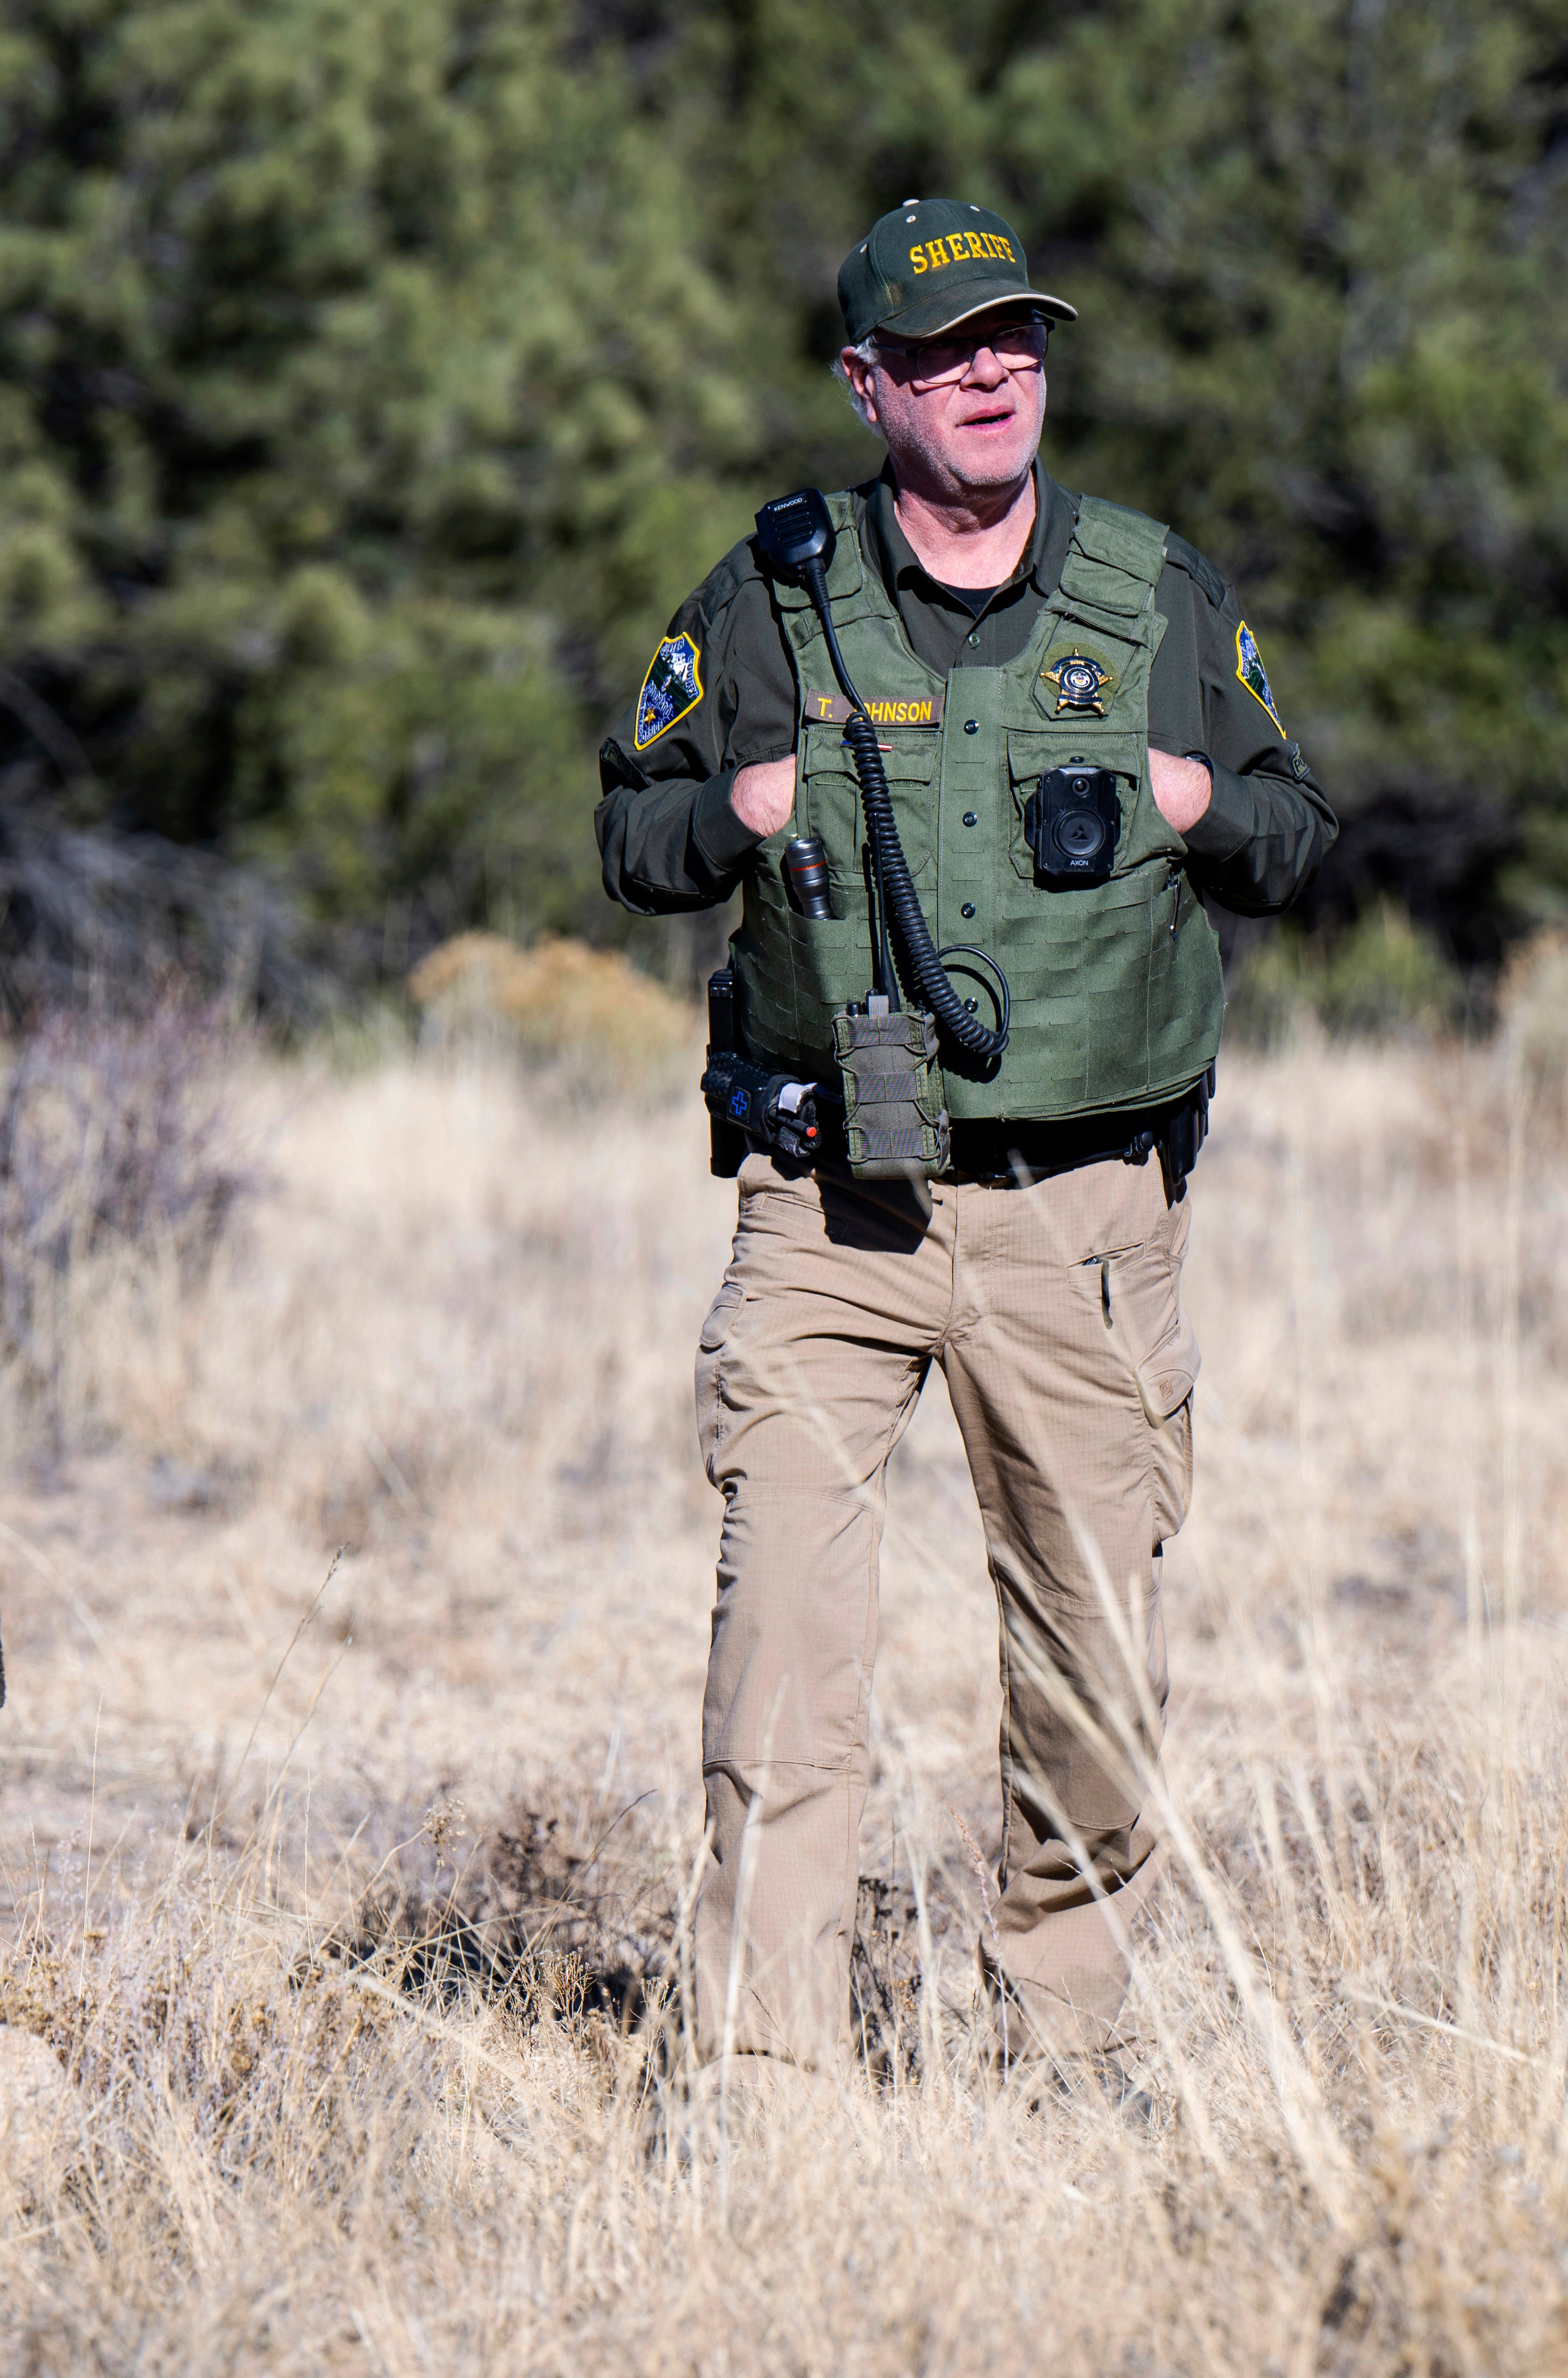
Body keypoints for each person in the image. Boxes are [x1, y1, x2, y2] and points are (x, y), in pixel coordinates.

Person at [598, 198, 1333, 2097]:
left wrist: (1193, 794)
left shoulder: (1156, 593)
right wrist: (740, 811)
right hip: (828, 1201)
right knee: (783, 1658)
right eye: (942, 351)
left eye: (1017, 338)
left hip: (1083, 1216)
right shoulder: (766, 596)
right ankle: (764, 2086)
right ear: (869, 386)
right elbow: (632, 836)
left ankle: (1066, 2054)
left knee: (1093, 1669)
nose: (994, 373)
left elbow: (1296, 834)